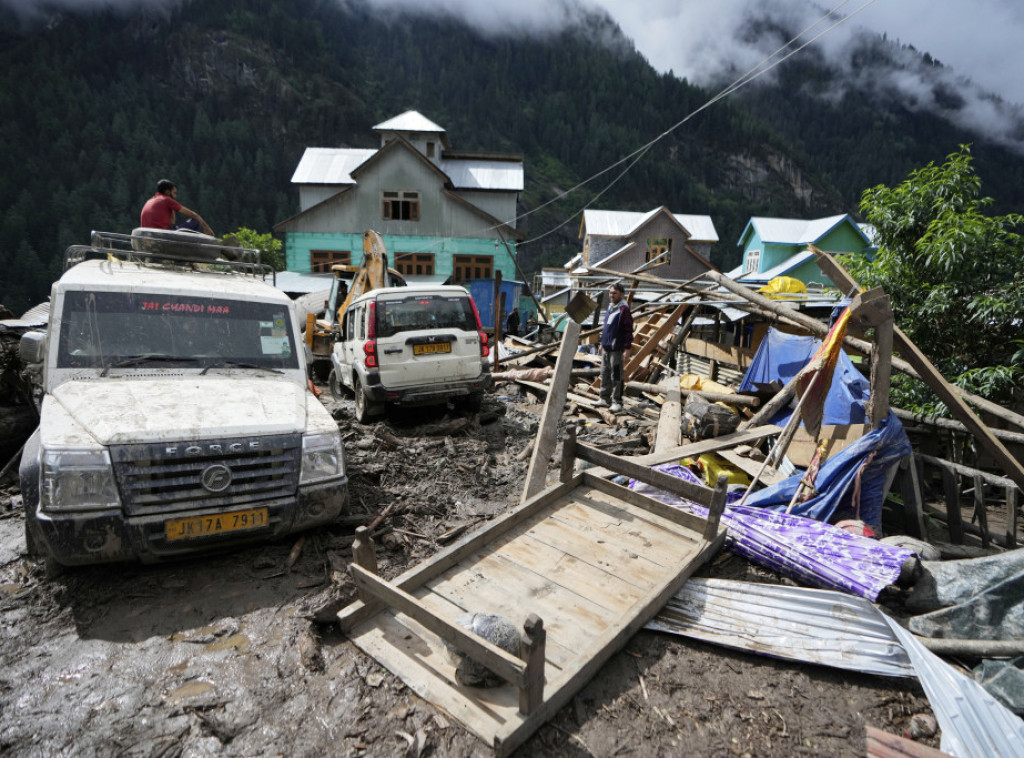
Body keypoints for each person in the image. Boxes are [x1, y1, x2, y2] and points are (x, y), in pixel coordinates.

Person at [596, 282, 633, 413]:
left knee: (616, 375)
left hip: (616, 348)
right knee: (604, 373)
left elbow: (629, 330)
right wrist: (601, 343)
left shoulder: (624, 309)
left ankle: (617, 402)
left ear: (622, 294)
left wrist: (627, 348)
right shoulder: (610, 307)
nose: (611, 295)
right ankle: (604, 399)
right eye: (610, 293)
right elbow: (606, 327)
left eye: (614, 293)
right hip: (607, 346)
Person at [140, 179, 215, 236]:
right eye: (174, 193)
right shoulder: (167, 200)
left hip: (148, 235)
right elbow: (193, 215)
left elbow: (172, 222)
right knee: (195, 222)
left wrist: (171, 209)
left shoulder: (150, 200)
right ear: (167, 192)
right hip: (164, 235)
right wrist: (206, 228)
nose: (175, 196)